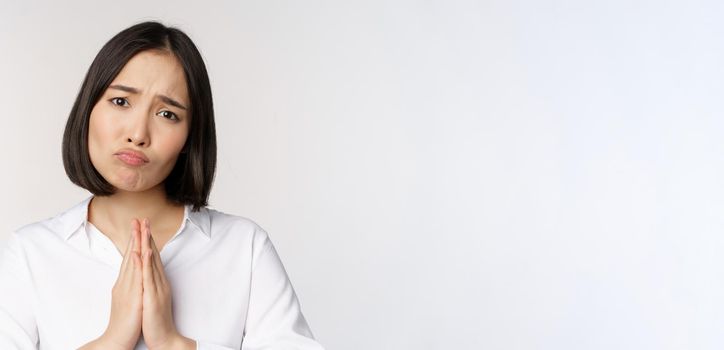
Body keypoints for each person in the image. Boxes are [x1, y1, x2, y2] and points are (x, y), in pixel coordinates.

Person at [0, 21, 324, 350]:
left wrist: (173, 344)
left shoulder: (244, 248)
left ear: (189, 137)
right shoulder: (30, 254)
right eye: (121, 102)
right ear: (88, 108)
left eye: (167, 114)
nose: (138, 133)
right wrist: (112, 342)